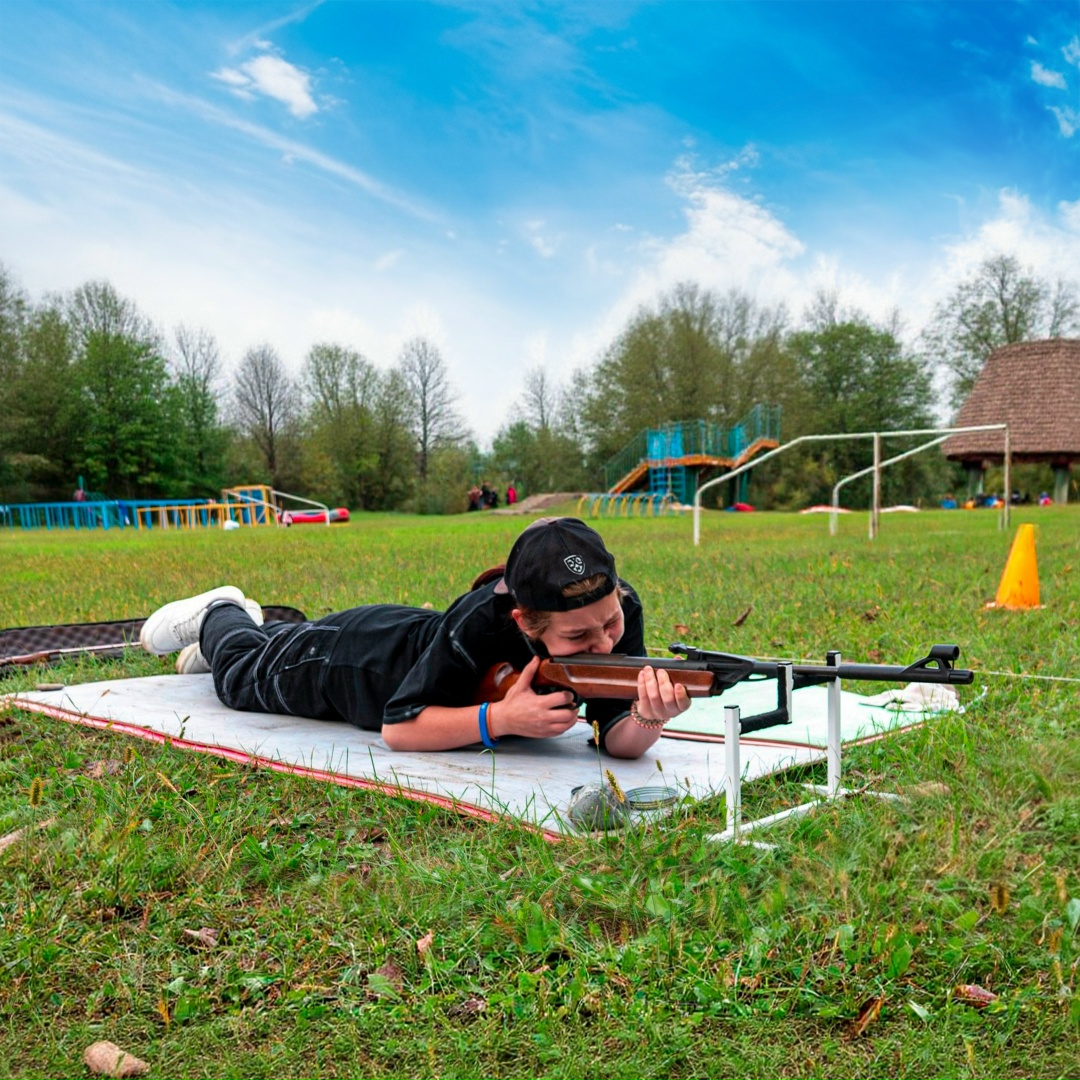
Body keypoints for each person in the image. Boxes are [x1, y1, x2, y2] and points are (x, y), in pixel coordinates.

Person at [139, 518, 690, 758]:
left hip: (402, 643)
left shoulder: (620, 607)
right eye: (579, 634)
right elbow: (399, 729)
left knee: (266, 647)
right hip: (353, 662)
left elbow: (619, 738)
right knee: (239, 677)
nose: (604, 643)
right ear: (524, 622)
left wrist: (649, 717)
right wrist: (500, 720)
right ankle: (222, 611)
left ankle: (252, 632)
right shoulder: (482, 618)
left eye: (610, 622)